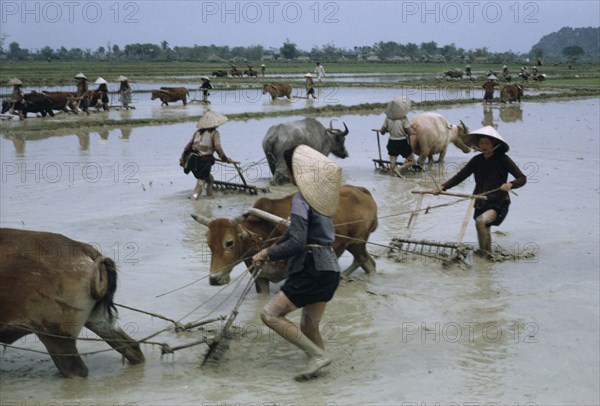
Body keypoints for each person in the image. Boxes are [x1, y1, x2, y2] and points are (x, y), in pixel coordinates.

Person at [252, 144, 342, 381]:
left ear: (296, 172)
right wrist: (277, 251)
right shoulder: (321, 200)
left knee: (269, 314)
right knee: (309, 328)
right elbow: (296, 235)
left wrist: (268, 253)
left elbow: (297, 243)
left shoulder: (301, 199)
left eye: (289, 168)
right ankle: (322, 376)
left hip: (311, 268)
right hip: (330, 269)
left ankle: (318, 357)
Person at [432, 126, 526, 255]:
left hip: (499, 202)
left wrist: (510, 184)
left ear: (494, 144)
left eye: (487, 143)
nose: (483, 145)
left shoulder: (503, 159)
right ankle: (488, 257)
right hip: (480, 201)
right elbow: (460, 176)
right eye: (481, 142)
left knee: (480, 222)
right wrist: (443, 187)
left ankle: (483, 255)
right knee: (485, 228)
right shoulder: (477, 160)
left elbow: (522, 178)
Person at [180, 111, 234, 200]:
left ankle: (210, 198)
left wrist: (183, 159)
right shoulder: (214, 133)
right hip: (204, 161)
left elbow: (187, 146)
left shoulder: (197, 132)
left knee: (209, 179)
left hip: (192, 160)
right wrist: (225, 158)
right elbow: (217, 147)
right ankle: (194, 198)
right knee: (201, 182)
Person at [379, 96, 416, 175]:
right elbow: (409, 132)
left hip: (391, 142)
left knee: (392, 165)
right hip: (402, 142)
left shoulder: (387, 118)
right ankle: (399, 168)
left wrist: (388, 130)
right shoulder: (403, 118)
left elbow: (382, 132)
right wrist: (411, 131)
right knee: (412, 161)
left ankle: (391, 182)